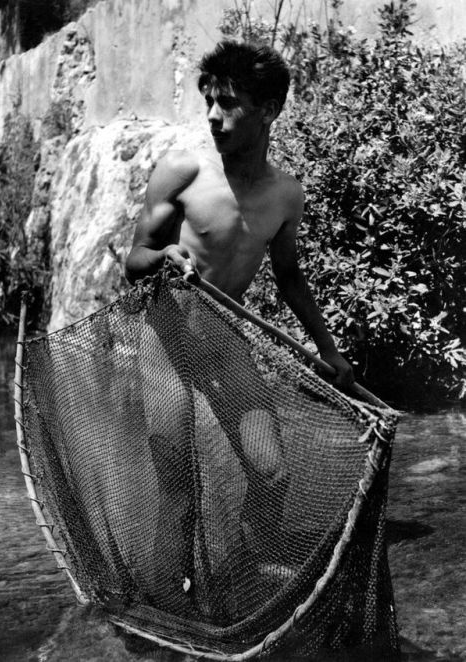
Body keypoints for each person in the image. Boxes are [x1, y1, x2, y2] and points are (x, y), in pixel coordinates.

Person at [125, 40, 353, 619]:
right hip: (166, 340)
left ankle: (249, 585)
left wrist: (329, 350)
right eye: (209, 102)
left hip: (225, 338)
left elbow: (290, 277)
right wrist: (164, 256)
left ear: (270, 110)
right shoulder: (183, 170)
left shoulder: (285, 194)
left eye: (228, 104)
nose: (212, 116)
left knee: (272, 472)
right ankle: (168, 614)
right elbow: (133, 258)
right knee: (177, 486)